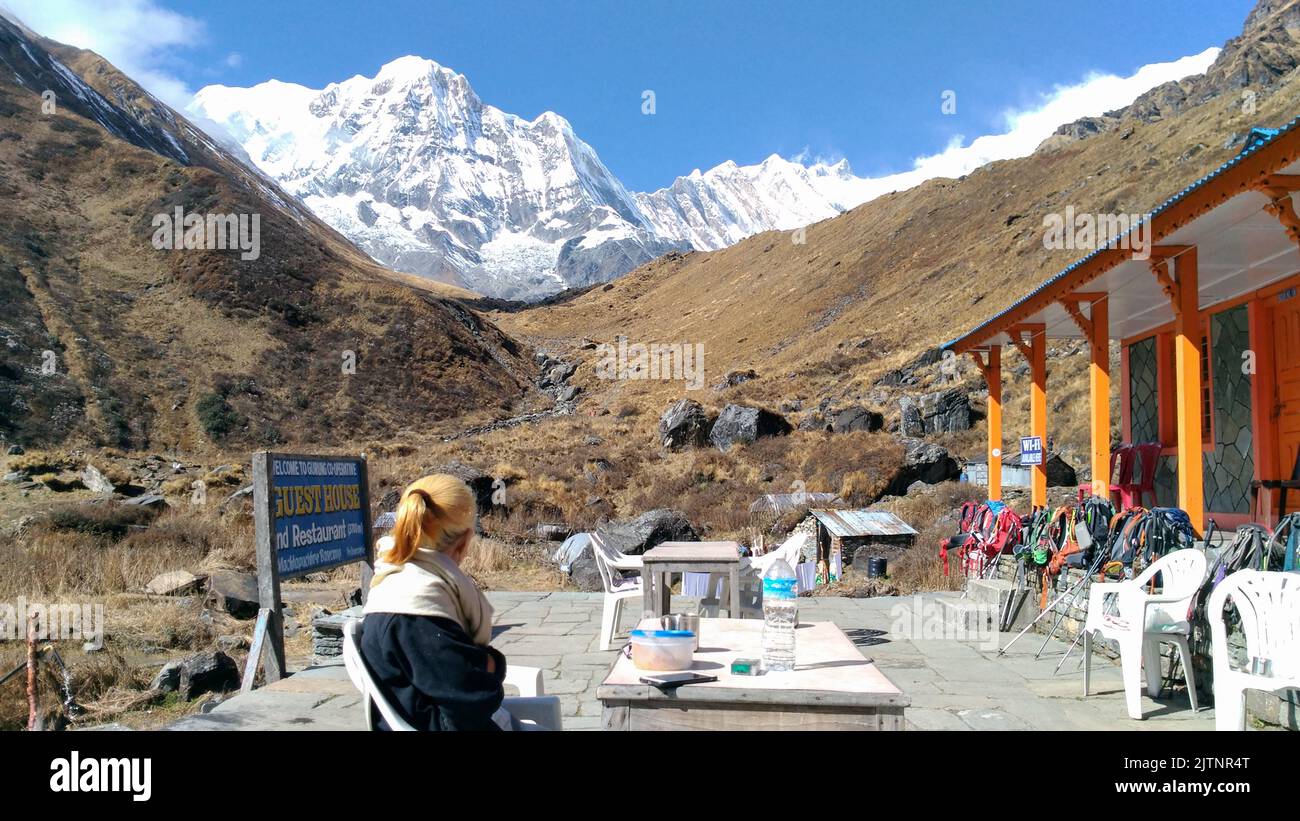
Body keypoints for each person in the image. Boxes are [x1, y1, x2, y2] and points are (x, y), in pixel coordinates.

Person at [360, 474, 508, 730]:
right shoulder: (417, 607)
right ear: (463, 543)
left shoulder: (394, 581)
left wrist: (485, 664)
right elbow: (475, 699)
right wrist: (492, 664)